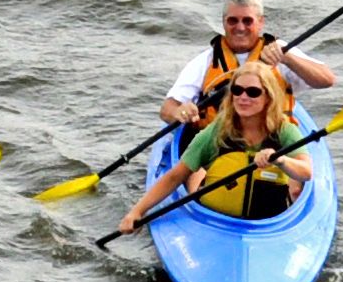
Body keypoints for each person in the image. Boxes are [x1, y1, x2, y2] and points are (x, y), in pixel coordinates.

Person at [124, 58, 308, 232]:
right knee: (193, 168)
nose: (243, 97)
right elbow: (174, 177)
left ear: (268, 97)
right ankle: (198, 173)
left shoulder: (284, 130)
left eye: (253, 92)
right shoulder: (216, 131)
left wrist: (281, 161)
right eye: (237, 90)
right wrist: (137, 211)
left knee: (295, 185)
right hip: (214, 219)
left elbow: (306, 171)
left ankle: (201, 171)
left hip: (268, 225)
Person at [158, 0, 335, 131]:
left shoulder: (279, 50)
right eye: (233, 21)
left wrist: (288, 59)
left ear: (260, 22)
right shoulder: (206, 60)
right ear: (224, 23)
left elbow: (326, 80)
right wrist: (180, 112)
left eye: (247, 21)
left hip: (270, 140)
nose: (240, 27)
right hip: (218, 141)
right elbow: (167, 109)